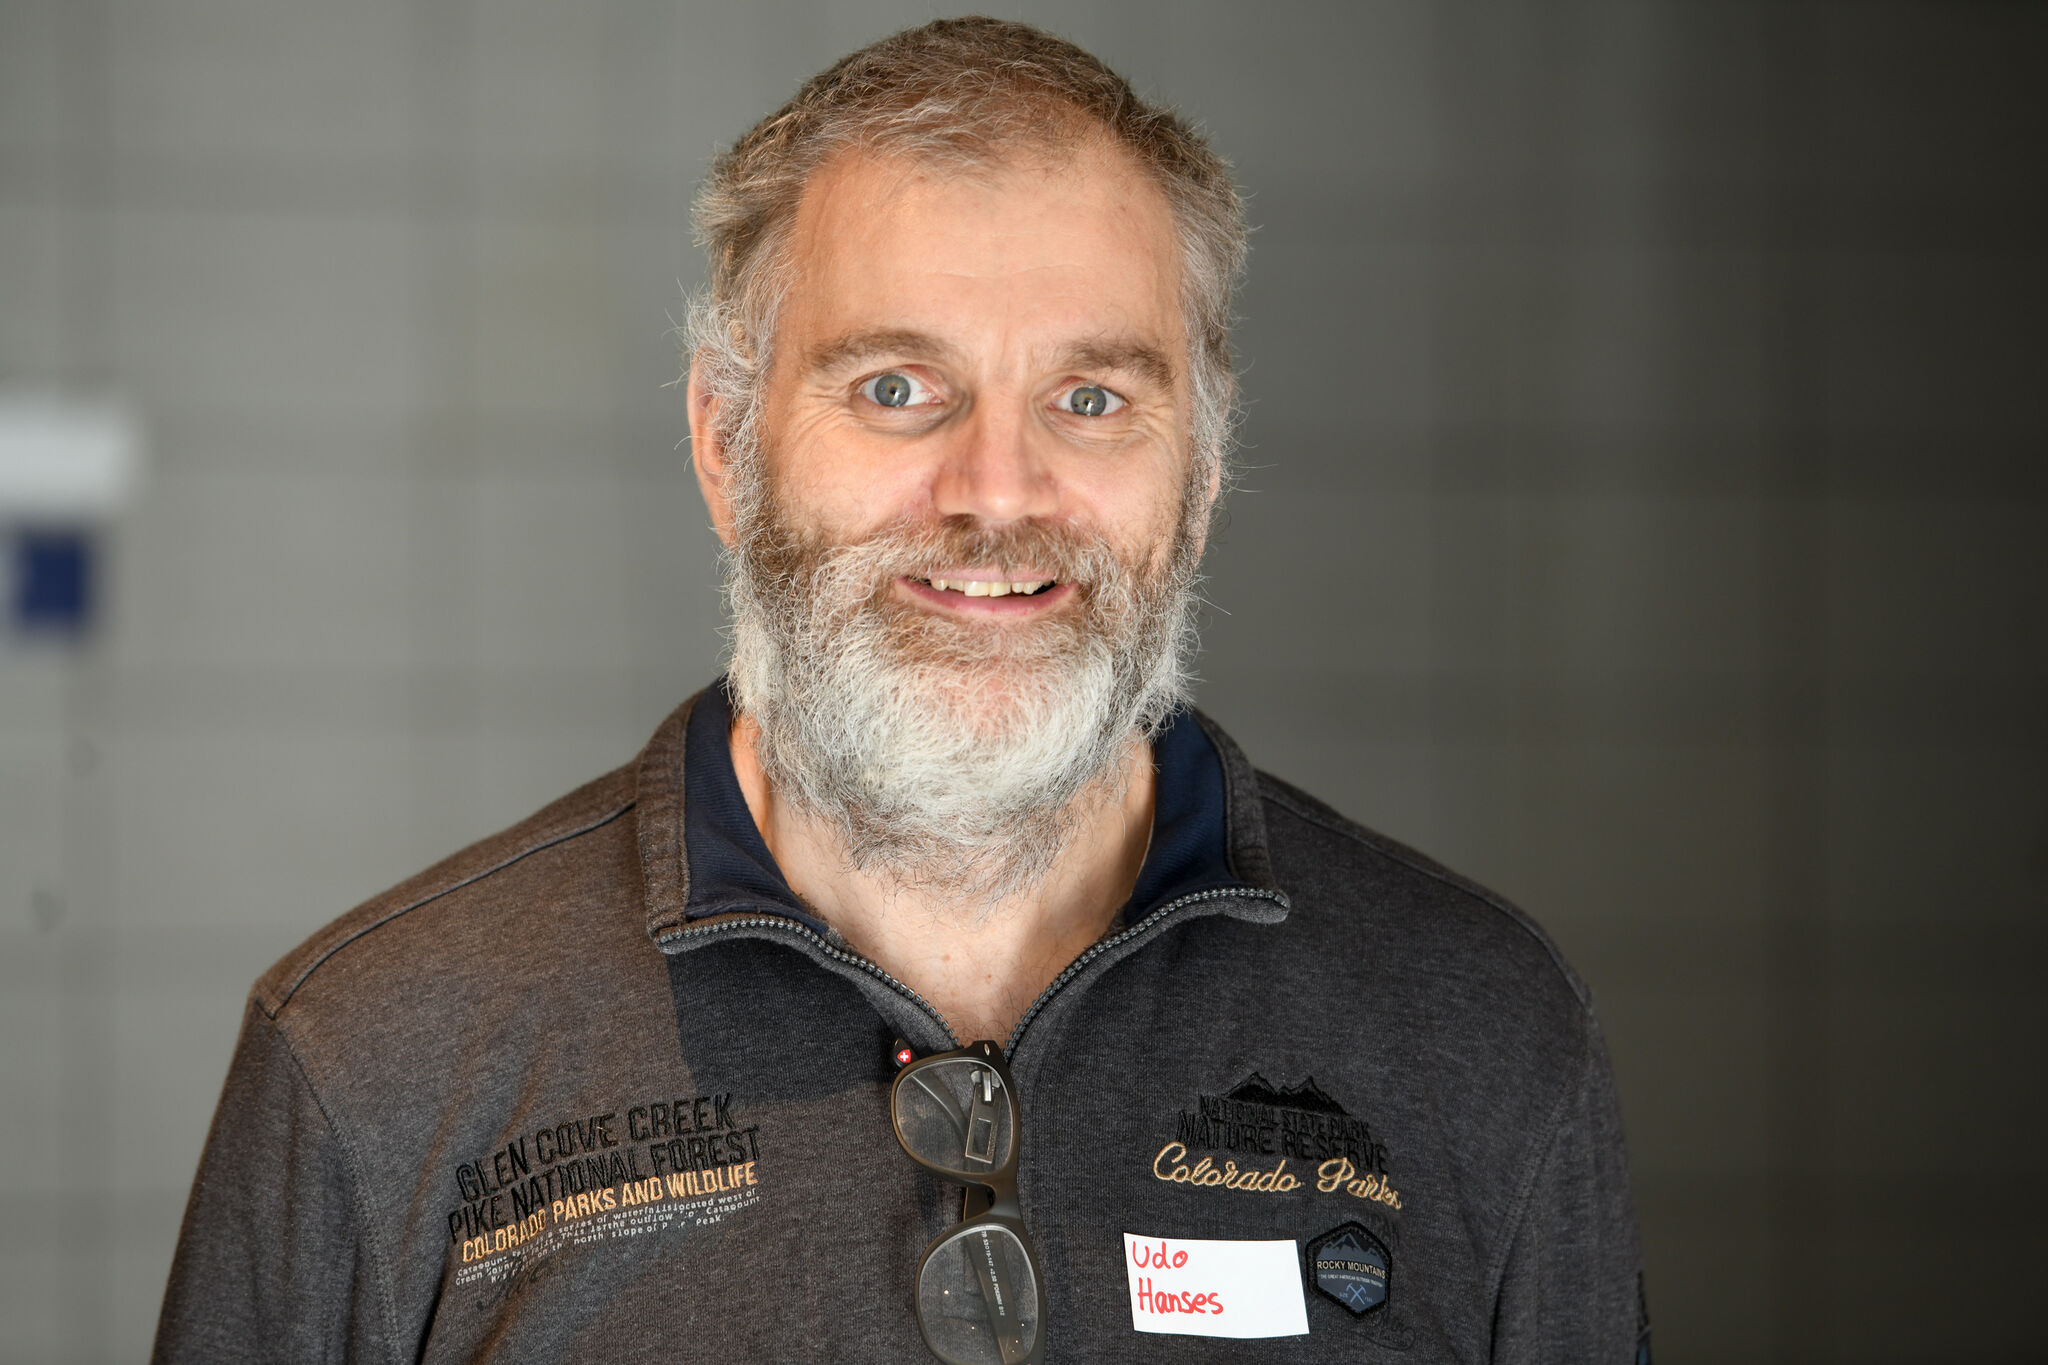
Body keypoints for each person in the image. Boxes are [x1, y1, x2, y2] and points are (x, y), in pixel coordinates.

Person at [154, 18, 1646, 1364]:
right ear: (727, 443)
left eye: (1091, 398)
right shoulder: (376, 1058)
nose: (997, 494)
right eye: (893, 389)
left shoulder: (1487, 1034)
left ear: (1199, 470)